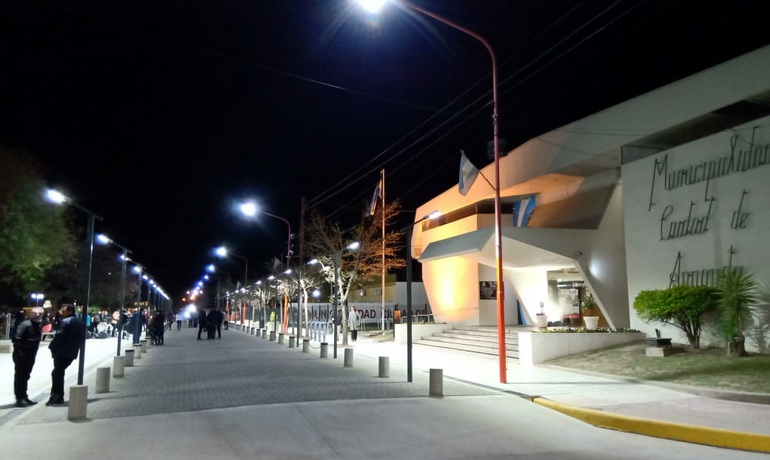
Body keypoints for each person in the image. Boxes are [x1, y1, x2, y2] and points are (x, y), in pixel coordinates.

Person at [47, 303, 84, 405]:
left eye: (64, 311)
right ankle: (57, 395)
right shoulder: (78, 321)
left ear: (70, 311)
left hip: (61, 351)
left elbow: (59, 335)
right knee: (59, 371)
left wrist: (51, 346)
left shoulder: (65, 321)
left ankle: (57, 396)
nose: (61, 312)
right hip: (72, 351)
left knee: (57, 372)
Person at [13, 307, 43, 407]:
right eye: (35, 313)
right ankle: (19, 398)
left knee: (25, 376)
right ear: (30, 313)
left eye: (40, 313)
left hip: (30, 355)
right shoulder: (25, 324)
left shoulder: (37, 325)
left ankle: (24, 396)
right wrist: (20, 353)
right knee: (20, 376)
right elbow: (16, 338)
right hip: (22, 355)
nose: (37, 315)